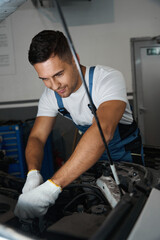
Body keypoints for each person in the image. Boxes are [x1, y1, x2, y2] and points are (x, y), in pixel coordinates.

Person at [14, 30, 144, 219]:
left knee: (131, 213)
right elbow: (37, 137)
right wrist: (33, 173)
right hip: (92, 157)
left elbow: (103, 132)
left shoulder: (106, 79)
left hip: (126, 157)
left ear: (74, 59)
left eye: (58, 74)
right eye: (44, 79)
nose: (54, 85)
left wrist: (51, 187)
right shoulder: (50, 96)